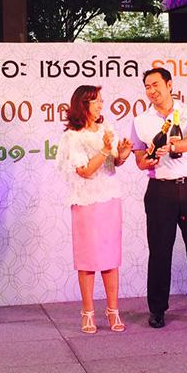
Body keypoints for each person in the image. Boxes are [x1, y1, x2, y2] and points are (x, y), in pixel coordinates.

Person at [131, 68, 187, 328]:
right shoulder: (140, 121)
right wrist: (149, 160)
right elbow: (140, 161)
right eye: (147, 86)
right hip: (160, 192)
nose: (151, 91)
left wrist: (173, 146)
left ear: (169, 85)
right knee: (159, 251)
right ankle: (157, 310)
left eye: (155, 84)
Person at [57, 85, 132, 334]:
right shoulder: (73, 137)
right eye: (96, 101)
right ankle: (88, 312)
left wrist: (123, 152)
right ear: (83, 105)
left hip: (110, 198)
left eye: (101, 100)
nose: (101, 105)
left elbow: (115, 162)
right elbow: (86, 171)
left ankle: (113, 311)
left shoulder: (106, 128)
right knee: (87, 260)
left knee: (110, 258)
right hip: (86, 201)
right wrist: (104, 150)